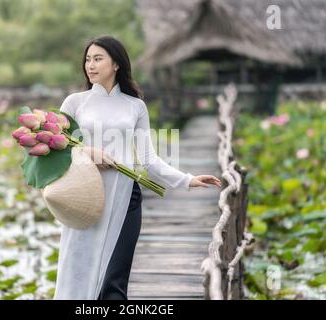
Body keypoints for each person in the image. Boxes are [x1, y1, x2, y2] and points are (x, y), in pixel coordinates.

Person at [54, 35, 221, 300]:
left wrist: (187, 179)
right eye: (87, 59)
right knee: (78, 272)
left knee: (114, 281)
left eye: (98, 59)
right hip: (84, 197)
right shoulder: (75, 103)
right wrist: (87, 152)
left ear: (116, 64)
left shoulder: (135, 106)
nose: (90, 65)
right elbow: (59, 148)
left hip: (125, 197)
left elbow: (148, 160)